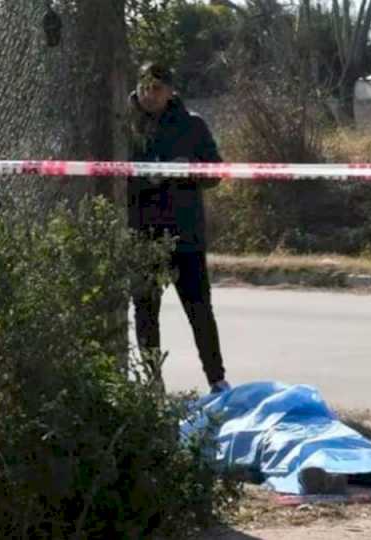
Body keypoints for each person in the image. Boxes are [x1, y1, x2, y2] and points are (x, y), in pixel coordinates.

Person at [128, 62, 230, 394]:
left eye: (157, 88)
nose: (150, 94)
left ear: (171, 91)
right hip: (143, 234)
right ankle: (153, 384)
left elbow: (215, 173)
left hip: (185, 237)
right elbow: (108, 176)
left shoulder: (192, 125)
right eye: (144, 87)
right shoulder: (125, 126)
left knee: (200, 310)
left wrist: (189, 170)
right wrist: (146, 178)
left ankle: (217, 380)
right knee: (145, 311)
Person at [182, 382, 371, 496]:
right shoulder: (210, 413)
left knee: (337, 441)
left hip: (299, 420)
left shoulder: (213, 407)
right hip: (280, 427)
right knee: (315, 445)